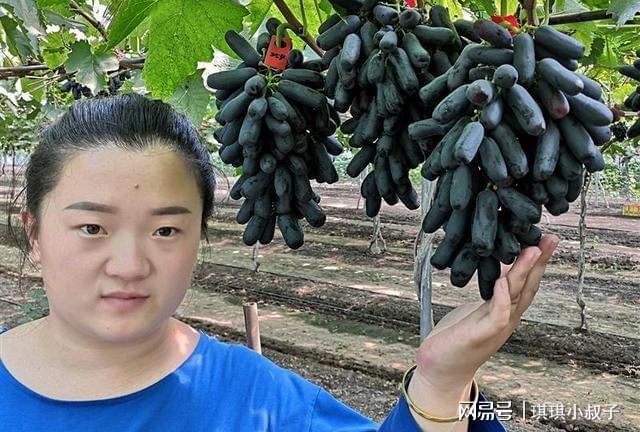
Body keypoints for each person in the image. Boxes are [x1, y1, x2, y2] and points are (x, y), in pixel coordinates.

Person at [0, 94, 559, 431]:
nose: (128, 265)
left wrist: (445, 383)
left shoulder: (258, 401)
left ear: (198, 239)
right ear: (35, 232)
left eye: (166, 229)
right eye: (92, 228)